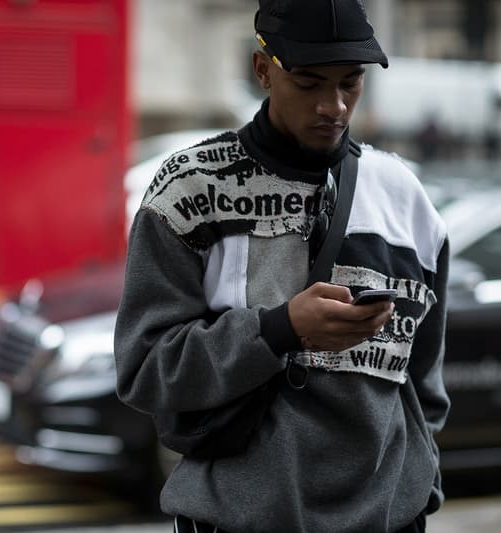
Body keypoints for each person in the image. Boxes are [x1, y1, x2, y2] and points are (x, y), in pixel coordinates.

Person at [113, 1, 450, 532]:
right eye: (309, 83)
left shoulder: (405, 197)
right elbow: (146, 370)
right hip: (241, 520)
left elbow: (424, 381)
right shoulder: (190, 189)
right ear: (263, 70)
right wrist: (280, 330)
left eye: (350, 83)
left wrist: (417, 482)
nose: (334, 106)